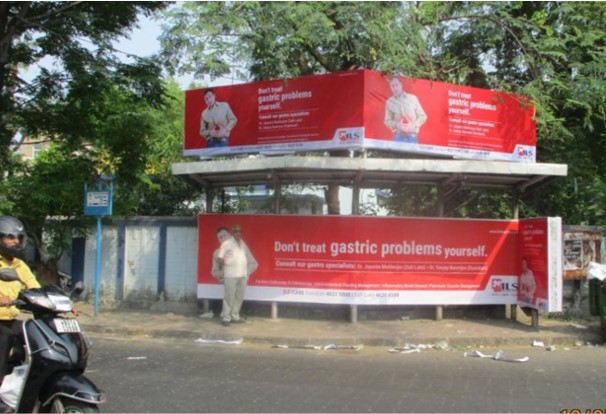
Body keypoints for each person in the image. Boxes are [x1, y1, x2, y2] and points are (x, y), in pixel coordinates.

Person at [0, 216, 40, 413]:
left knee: (33, 339)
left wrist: (62, 304)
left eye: (18, 237)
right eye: (9, 237)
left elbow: (34, 286)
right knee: (4, 339)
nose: (15, 241)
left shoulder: (19, 265)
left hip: (11, 319)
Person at [216, 224, 258, 326]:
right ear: (232, 232)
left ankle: (235, 316)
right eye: (235, 231)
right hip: (230, 275)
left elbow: (249, 258)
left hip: (242, 275)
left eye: (239, 231)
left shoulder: (242, 243)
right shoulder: (226, 243)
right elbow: (220, 258)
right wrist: (224, 267)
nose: (238, 233)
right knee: (229, 297)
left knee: (239, 297)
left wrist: (247, 271)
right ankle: (226, 318)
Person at [384, 75, 427, 144]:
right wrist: (397, 125)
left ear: (401, 84)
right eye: (392, 86)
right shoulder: (389, 102)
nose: (395, 88)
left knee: (414, 155)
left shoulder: (413, 98)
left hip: (412, 137)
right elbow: (387, 121)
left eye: (396, 85)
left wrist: (414, 124)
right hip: (398, 137)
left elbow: (423, 116)